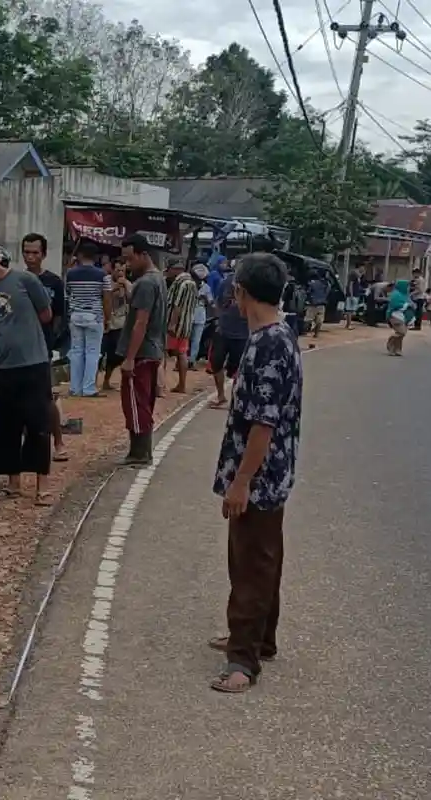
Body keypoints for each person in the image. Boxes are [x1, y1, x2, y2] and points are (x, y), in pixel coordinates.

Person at [208, 252, 302, 694]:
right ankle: (260, 638)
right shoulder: (278, 334)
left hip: (260, 475)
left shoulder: (268, 344)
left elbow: (263, 423)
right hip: (270, 471)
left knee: (250, 564)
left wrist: (241, 481)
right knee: (262, 559)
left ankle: (242, 662)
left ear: (242, 292)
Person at [0, 238, 55, 506]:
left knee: (38, 424)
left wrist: (22, 331)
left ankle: (43, 485)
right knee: (4, 426)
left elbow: (46, 314)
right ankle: (13, 482)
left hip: (33, 363)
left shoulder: (25, 281)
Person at [116, 233, 167, 467]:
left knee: (136, 404)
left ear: (142, 254)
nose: (128, 264)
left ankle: (140, 452)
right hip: (152, 350)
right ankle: (140, 450)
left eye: (130, 258)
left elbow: (140, 322)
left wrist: (129, 357)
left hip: (141, 352)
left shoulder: (146, 283)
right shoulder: (157, 279)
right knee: (143, 402)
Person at [20, 233, 68, 462]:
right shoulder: (15, 280)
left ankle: (58, 442)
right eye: (26, 252)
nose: (30, 257)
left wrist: (51, 343)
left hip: (43, 349)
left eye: (35, 252)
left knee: (46, 397)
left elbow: (59, 316)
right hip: (19, 348)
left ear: (44, 254)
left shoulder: (54, 282)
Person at [63, 241, 111, 398]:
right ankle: (88, 388)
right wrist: (107, 319)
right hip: (94, 316)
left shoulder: (70, 274)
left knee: (76, 351)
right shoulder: (102, 275)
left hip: (75, 316)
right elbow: (107, 298)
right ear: (96, 257)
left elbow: (67, 294)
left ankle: (75, 388)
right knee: (92, 352)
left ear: (80, 255)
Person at [209, 264, 249, 409]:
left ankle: (236, 400)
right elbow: (217, 301)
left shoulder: (250, 285)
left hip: (243, 333)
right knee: (216, 361)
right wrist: (219, 320)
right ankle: (220, 396)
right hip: (224, 329)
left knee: (238, 369)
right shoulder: (225, 282)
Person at [165, 260, 196, 393]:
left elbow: (176, 305)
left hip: (176, 324)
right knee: (182, 353)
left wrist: (172, 323)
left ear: (176, 269)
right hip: (187, 323)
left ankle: (159, 385)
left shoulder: (180, 283)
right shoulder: (193, 283)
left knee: (162, 353)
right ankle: (182, 384)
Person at [100, 261, 131, 391]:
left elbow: (132, 300)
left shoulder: (127, 283)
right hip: (105, 322)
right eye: (118, 270)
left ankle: (107, 380)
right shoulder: (105, 281)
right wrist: (113, 290)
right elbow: (103, 299)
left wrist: (125, 287)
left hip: (120, 323)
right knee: (100, 353)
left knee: (116, 354)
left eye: (122, 271)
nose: (120, 273)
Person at [189, 264, 212, 366]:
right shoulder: (188, 285)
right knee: (186, 340)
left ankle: (191, 361)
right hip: (188, 315)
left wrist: (205, 298)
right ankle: (183, 361)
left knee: (196, 340)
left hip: (200, 316)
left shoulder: (206, 288)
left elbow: (211, 302)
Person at [386, 278, 414, 356]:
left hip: (404, 316)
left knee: (401, 334)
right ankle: (391, 342)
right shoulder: (395, 294)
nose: (408, 288)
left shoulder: (405, 294)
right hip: (395, 316)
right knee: (401, 332)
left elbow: (410, 303)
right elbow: (395, 305)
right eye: (407, 286)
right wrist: (407, 305)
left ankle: (397, 349)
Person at [305, 273, 328, 338]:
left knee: (308, 319)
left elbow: (308, 292)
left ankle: (306, 332)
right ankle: (316, 334)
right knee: (320, 320)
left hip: (312, 303)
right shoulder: (325, 283)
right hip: (322, 304)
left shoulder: (311, 283)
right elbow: (327, 291)